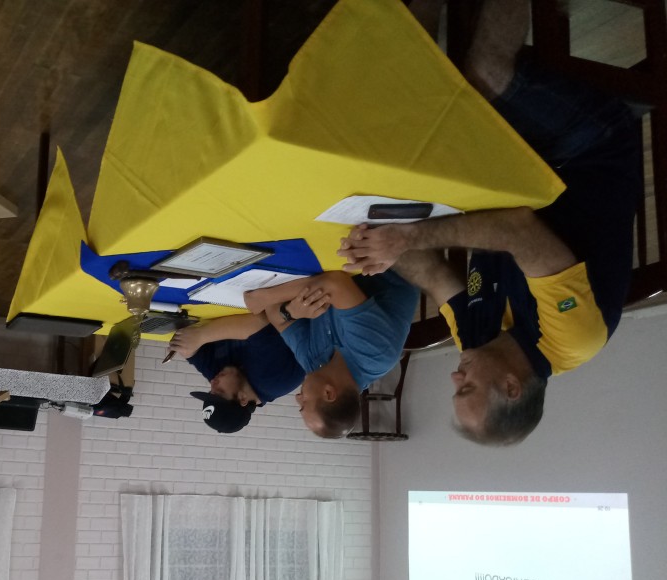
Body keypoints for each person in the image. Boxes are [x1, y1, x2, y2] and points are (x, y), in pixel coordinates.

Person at [339, 0, 642, 445]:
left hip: (509, 181)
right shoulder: (573, 338)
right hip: (584, 152)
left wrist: (373, 245)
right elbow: (517, 229)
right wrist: (406, 238)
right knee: (483, 75)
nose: (454, 377)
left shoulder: (475, 344)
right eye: (466, 388)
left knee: (406, 123)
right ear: (511, 386)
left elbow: (433, 276)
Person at [243, 269, 419, 438]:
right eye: (304, 404)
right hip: (388, 263)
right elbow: (335, 282)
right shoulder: (374, 355)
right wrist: (266, 297)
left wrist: (290, 312)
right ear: (329, 393)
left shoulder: (315, 367)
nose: (298, 397)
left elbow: (274, 315)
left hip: (339, 266)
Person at [168, 313, 305, 433]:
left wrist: (184, 345)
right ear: (243, 398)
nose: (213, 383)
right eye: (219, 392)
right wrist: (201, 335)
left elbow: (190, 352)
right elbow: (259, 321)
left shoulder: (224, 378)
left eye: (211, 392)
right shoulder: (274, 381)